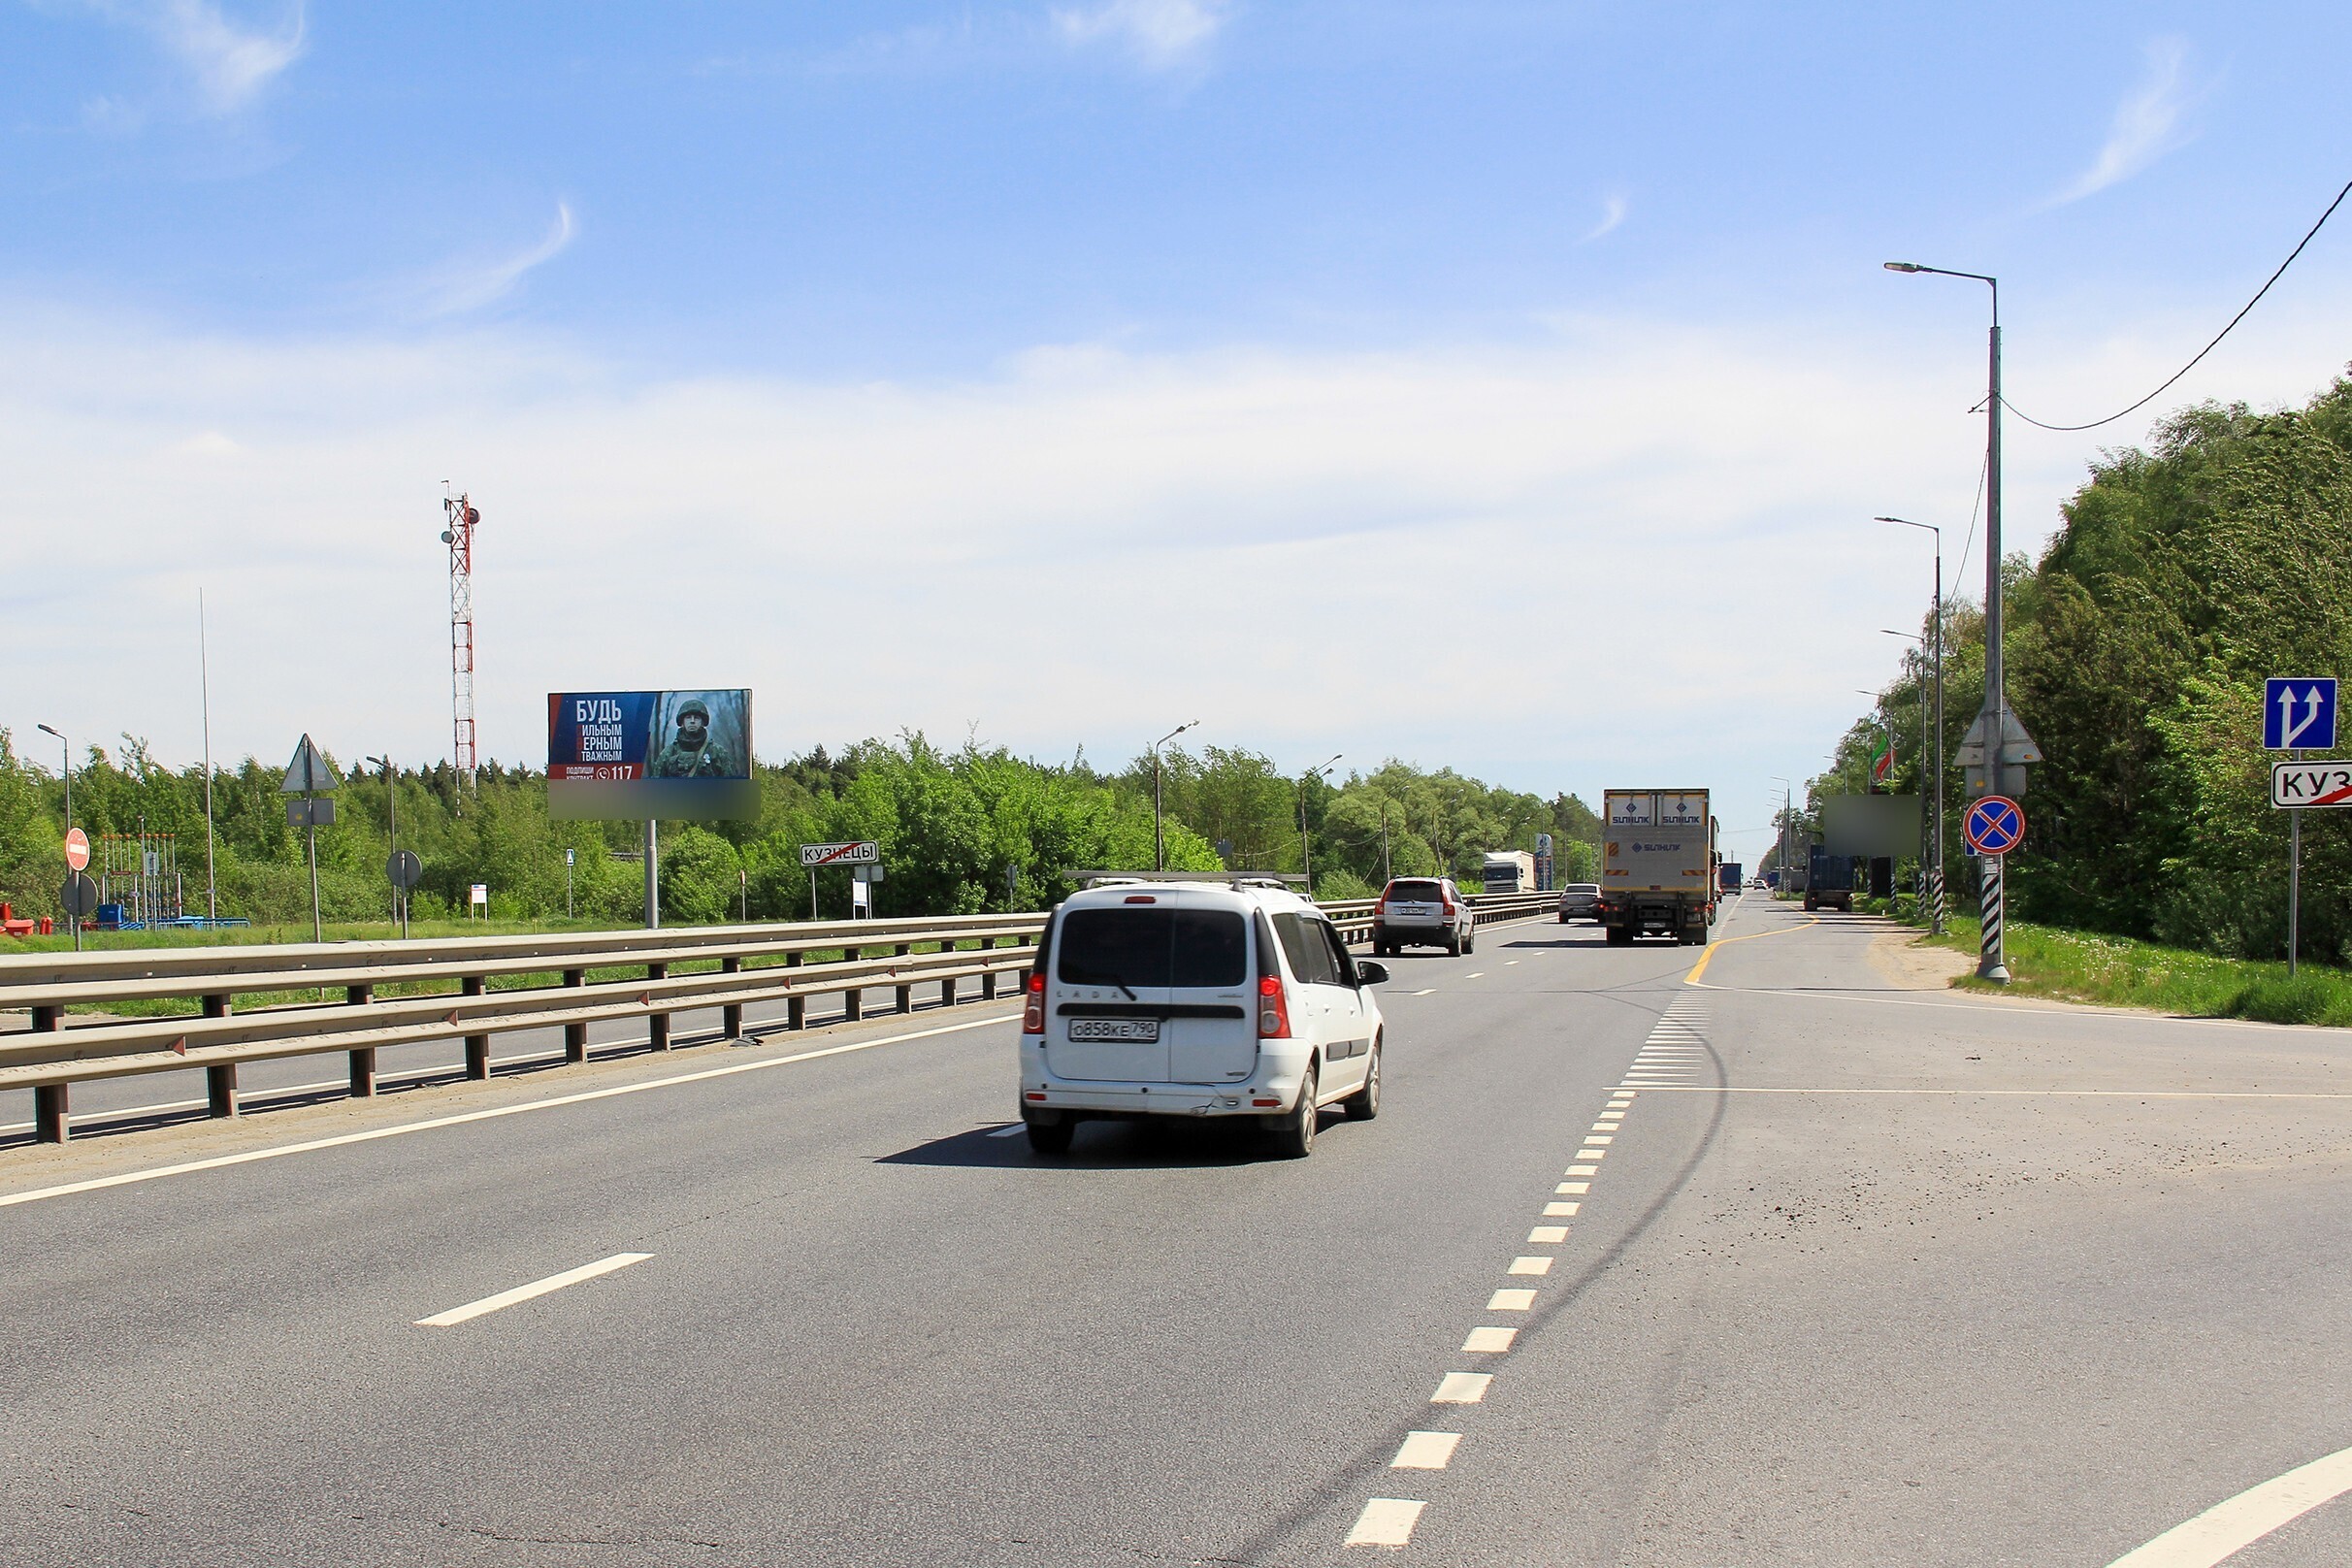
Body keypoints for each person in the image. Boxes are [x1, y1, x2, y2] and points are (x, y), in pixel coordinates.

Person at [651, 699, 734, 777]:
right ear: (682, 722)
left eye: (696, 718)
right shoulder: (668, 753)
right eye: (688, 717)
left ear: (702, 722)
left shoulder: (717, 752)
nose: (692, 721)